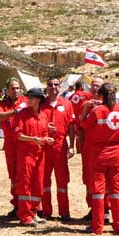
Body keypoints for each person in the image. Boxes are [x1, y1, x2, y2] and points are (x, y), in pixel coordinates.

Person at [83, 82, 119, 234]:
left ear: (100, 96)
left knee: (98, 190)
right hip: (117, 151)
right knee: (116, 190)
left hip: (100, 152)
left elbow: (84, 125)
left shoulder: (97, 111)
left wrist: (86, 109)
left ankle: (98, 226)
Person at [11, 88, 54, 225]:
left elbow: (43, 134)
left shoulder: (43, 116)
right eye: (28, 97)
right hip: (26, 155)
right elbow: (18, 135)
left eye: (32, 97)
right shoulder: (22, 114)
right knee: (25, 184)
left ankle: (34, 212)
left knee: (38, 183)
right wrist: (32, 139)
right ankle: (25, 215)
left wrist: (47, 138)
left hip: (40, 154)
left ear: (39, 99)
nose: (28, 100)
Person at [40, 77, 76, 221]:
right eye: (50, 85)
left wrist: (72, 146)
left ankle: (64, 212)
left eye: (56, 85)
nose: (53, 87)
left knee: (62, 181)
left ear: (60, 87)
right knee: (44, 181)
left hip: (61, 147)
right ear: (46, 87)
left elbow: (72, 127)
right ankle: (46, 211)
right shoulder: (41, 104)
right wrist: (45, 128)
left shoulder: (67, 104)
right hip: (44, 147)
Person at [0, 79, 28, 216]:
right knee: (14, 176)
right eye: (12, 88)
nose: (15, 90)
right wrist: (15, 112)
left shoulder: (26, 101)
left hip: (25, 143)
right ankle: (17, 205)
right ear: (7, 90)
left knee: (26, 175)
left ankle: (29, 206)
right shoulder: (1, 104)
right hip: (11, 145)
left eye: (17, 88)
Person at [76, 76, 106, 219]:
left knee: (105, 178)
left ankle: (105, 208)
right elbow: (80, 126)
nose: (95, 88)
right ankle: (93, 207)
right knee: (88, 177)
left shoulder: (108, 104)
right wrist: (81, 146)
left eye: (98, 85)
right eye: (93, 85)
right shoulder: (85, 104)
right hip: (89, 146)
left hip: (104, 146)